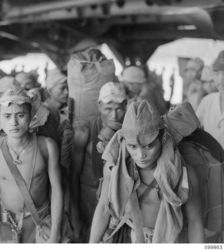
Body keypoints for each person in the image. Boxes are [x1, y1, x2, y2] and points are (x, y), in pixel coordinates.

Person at [89, 100, 204, 243]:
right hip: (128, 237)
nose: (140, 155)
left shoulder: (183, 174)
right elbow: (103, 208)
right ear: (124, 141)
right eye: (132, 146)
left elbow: (195, 222)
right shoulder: (114, 168)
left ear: (162, 138)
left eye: (148, 146)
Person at [0, 87, 63, 243]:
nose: (14, 123)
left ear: (30, 116)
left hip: (40, 222)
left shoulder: (47, 147)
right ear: (0, 119)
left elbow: (57, 189)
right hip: (6, 223)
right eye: (7, 116)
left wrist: (55, 233)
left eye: (20, 115)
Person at [70, 81, 128, 241]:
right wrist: (75, 213)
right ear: (99, 106)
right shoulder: (84, 132)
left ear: (126, 106)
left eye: (119, 109)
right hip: (89, 199)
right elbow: (73, 175)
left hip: (119, 202)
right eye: (108, 109)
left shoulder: (130, 132)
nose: (114, 115)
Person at [196, 50, 224, 148]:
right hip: (210, 161)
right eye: (217, 73)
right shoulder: (207, 101)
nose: (220, 80)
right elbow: (193, 130)